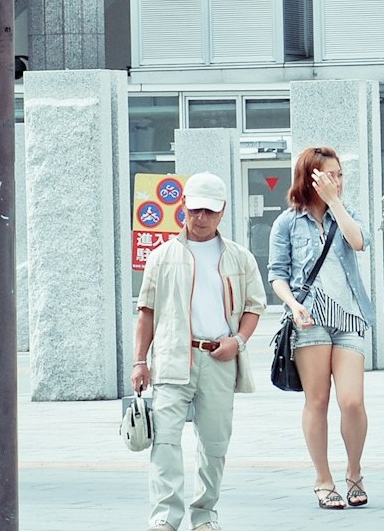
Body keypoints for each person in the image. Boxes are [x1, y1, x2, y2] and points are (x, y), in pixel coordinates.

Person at [129, 171, 267, 531]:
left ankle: (205, 515)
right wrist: (140, 361)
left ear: (222, 212)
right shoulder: (162, 257)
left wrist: (237, 341)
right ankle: (164, 517)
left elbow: (255, 306)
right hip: (174, 358)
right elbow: (146, 311)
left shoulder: (239, 257)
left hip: (219, 357)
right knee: (165, 440)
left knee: (215, 443)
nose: (201, 218)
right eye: (194, 211)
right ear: (183, 208)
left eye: (209, 211)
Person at [267, 146, 377, 510]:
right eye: (329, 174)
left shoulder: (345, 214)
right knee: (317, 400)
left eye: (340, 174)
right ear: (309, 176)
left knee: (353, 401)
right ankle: (323, 478)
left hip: (348, 316)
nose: (337, 181)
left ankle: (355, 471)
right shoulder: (287, 222)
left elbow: (359, 241)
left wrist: (336, 203)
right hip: (309, 317)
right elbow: (277, 275)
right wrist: (293, 304)